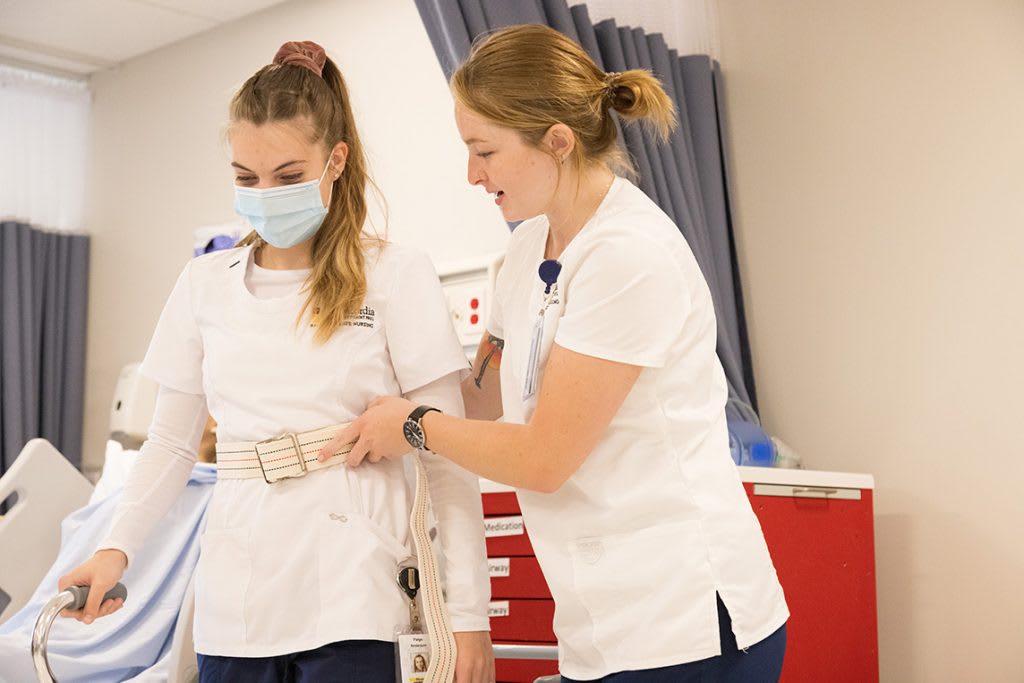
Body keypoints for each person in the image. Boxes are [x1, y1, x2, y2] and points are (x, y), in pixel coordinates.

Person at [320, 24, 789, 683]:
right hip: (600, 623)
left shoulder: (628, 255)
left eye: (483, 149)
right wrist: (382, 360)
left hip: (687, 621)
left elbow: (543, 459)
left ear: (557, 142)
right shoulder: (523, 252)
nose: (471, 173)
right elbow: (484, 395)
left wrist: (413, 425)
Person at [58, 40, 493, 683]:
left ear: (335, 159)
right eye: (246, 178)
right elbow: (172, 447)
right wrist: (113, 551)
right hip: (236, 602)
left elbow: (446, 458)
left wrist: (471, 618)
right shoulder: (204, 285)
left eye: (289, 177)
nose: (265, 194)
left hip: (357, 599)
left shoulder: (397, 276)